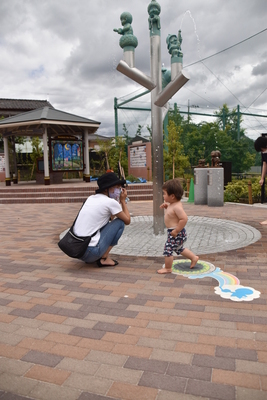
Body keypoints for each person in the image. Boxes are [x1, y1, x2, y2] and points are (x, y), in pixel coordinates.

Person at [74, 172, 131, 266]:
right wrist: (123, 201)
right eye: (116, 187)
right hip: (91, 252)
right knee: (120, 222)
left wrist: (117, 201)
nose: (119, 190)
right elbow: (127, 221)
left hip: (78, 250)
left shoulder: (91, 198)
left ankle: (98, 256)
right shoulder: (110, 202)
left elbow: (110, 219)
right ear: (107, 188)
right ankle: (104, 258)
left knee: (107, 224)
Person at [157, 178, 199, 274]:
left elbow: (184, 219)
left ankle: (168, 268)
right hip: (174, 232)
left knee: (168, 249)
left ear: (172, 196)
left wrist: (176, 231)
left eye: (164, 193)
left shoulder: (177, 207)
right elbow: (173, 214)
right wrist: (167, 207)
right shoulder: (172, 204)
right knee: (178, 248)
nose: (163, 195)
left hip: (176, 232)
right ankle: (193, 257)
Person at [254, 135, 267, 225]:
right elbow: (265, 164)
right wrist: (262, 178)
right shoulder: (264, 153)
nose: (262, 151)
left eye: (262, 149)